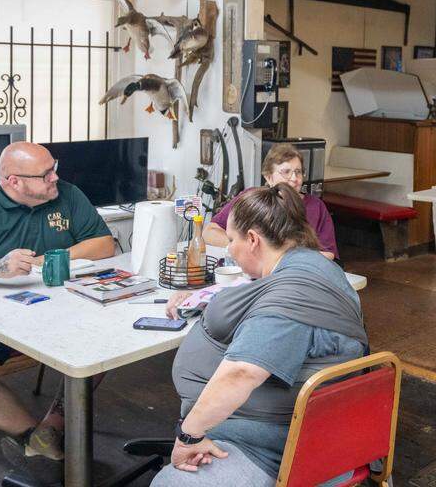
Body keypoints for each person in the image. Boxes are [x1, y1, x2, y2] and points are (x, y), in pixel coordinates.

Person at [153, 185, 368, 486]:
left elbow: (241, 373)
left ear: (253, 240)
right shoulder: (319, 267)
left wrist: (187, 436)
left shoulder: (289, 302)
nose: (229, 249)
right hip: (316, 426)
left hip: (273, 447)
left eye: (231, 241)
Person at [0, 142, 115, 468]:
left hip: (59, 305)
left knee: (104, 343)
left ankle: (51, 428)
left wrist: (44, 261)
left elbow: (103, 244)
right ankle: (33, 437)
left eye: (53, 167)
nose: (55, 177)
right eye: (45, 174)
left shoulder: (68, 195)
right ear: (14, 181)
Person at [202, 143, 338, 261]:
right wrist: (244, 246)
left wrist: (284, 257)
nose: (294, 178)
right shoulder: (251, 198)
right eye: (286, 172)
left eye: (298, 172)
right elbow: (210, 232)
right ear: (268, 176)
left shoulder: (316, 206)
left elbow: (328, 253)